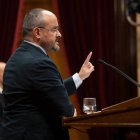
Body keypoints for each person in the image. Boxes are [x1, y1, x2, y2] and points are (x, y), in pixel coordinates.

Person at [0, 8, 94, 140]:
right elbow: (66, 110)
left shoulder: (16, 57)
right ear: (37, 32)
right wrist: (73, 111)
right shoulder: (39, 62)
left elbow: (47, 92)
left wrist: (80, 76)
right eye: (55, 29)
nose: (59, 34)